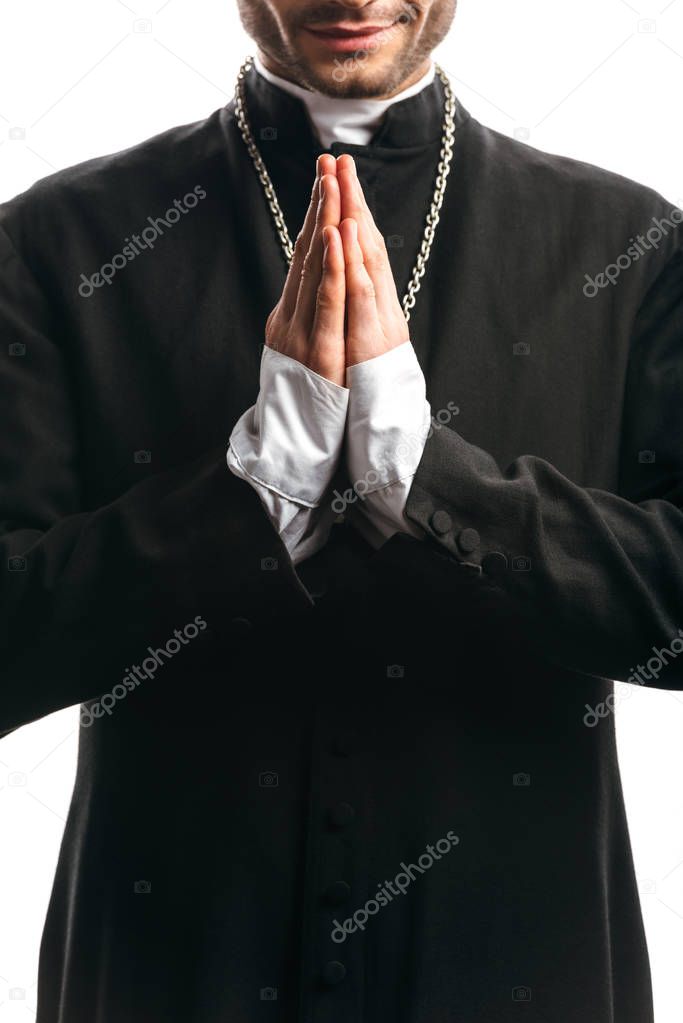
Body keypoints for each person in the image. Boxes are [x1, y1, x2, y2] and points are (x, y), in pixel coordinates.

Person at [1, 1, 681, 1019]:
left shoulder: (627, 244)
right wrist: (252, 489)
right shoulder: (58, 239)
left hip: (516, 964)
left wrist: (428, 476)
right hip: (172, 969)